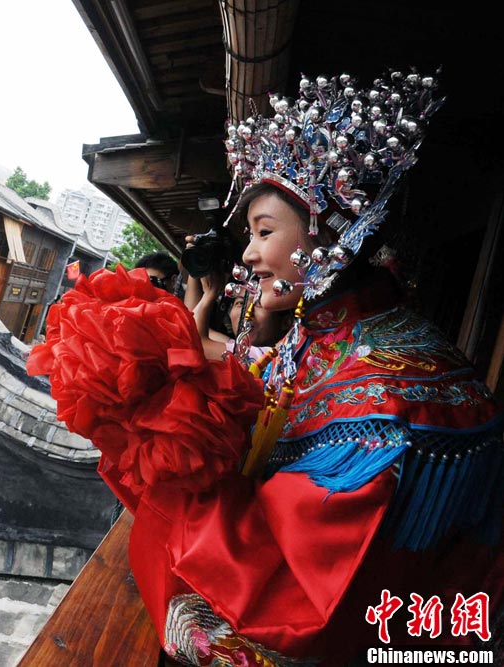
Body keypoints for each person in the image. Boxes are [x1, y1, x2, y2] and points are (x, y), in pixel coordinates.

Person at [27, 71, 504, 664]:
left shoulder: (386, 397)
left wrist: (169, 459)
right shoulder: (323, 333)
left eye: (264, 232)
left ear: (330, 233)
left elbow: (302, 602)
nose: (249, 253)